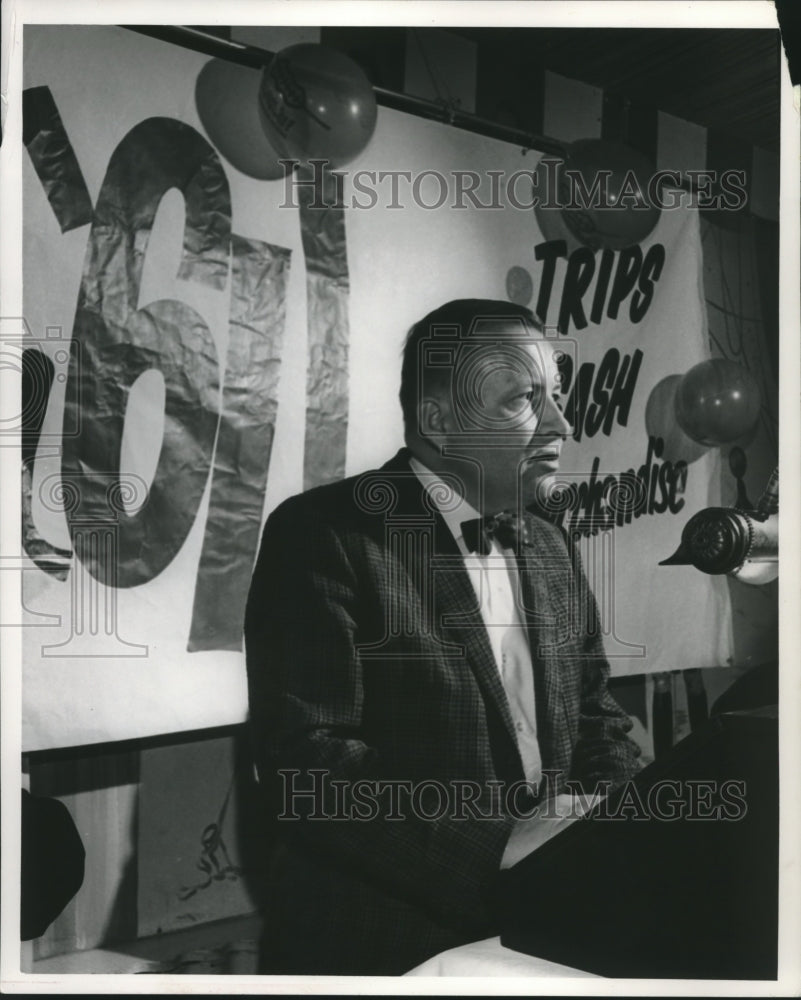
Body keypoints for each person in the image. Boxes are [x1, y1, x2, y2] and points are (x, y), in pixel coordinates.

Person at [245, 299, 641, 975]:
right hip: (383, 943)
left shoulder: (549, 544)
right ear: (438, 420)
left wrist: (611, 826)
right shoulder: (323, 535)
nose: (561, 424)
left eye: (557, 396)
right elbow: (307, 762)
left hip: (552, 927)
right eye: (523, 399)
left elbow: (596, 714)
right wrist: (501, 845)